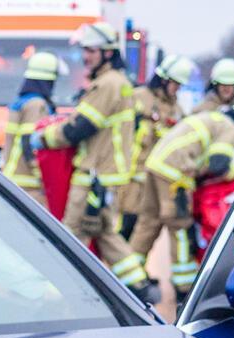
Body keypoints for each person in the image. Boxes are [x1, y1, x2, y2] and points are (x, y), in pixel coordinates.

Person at [29, 22, 142, 286]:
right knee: (105, 235)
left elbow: (79, 128)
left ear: (107, 52)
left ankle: (68, 289)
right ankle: (140, 287)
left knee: (72, 235)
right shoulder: (117, 83)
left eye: (91, 50)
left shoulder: (107, 85)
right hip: (107, 174)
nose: (86, 56)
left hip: (94, 174)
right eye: (85, 50)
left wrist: (44, 137)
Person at [140, 95, 234, 318]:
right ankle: (185, 290)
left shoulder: (213, 118)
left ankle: (132, 281)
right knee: (180, 227)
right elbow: (218, 163)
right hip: (175, 175)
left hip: (155, 165)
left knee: (147, 223)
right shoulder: (231, 128)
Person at [115, 52, 194, 302]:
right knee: (128, 228)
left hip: (158, 179)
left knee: (148, 226)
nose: (176, 89)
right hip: (132, 177)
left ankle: (136, 277)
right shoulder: (139, 98)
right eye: (174, 84)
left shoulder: (177, 108)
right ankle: (127, 279)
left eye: (179, 86)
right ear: (162, 79)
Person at [0, 51, 61, 206]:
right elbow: (29, 142)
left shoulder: (21, 102)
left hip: (14, 178)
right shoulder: (36, 105)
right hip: (29, 184)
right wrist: (42, 175)